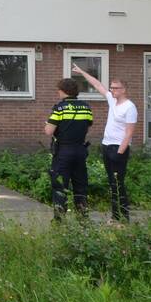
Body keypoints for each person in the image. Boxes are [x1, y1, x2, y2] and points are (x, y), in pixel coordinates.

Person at [73, 64, 137, 222]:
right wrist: (82, 72)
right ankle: (116, 217)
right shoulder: (112, 101)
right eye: (112, 87)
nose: (112, 90)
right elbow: (96, 84)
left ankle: (123, 218)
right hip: (106, 146)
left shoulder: (130, 107)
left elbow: (129, 133)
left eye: (116, 88)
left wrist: (120, 152)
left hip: (118, 149)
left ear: (124, 89)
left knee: (118, 184)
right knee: (112, 184)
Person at [44, 78, 94, 221]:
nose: (58, 93)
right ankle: (83, 220)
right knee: (81, 186)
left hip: (63, 152)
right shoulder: (86, 107)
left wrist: (49, 124)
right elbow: (87, 125)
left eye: (59, 90)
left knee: (60, 186)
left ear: (63, 91)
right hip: (80, 150)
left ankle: (59, 221)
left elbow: (49, 131)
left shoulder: (60, 108)